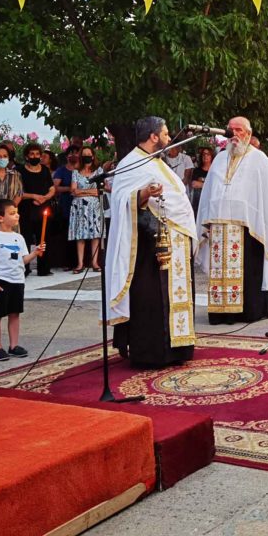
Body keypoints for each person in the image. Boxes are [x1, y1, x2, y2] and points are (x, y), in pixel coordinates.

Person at [107, 116, 197, 367]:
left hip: (170, 239)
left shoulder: (156, 162)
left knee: (169, 297)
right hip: (145, 247)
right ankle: (153, 352)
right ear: (154, 137)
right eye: (166, 134)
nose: (169, 139)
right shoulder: (132, 163)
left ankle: (177, 349)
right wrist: (145, 193)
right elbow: (122, 199)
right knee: (151, 297)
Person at [196, 117, 268, 324]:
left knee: (247, 269)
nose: (233, 134)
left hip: (248, 229)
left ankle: (247, 311)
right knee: (220, 271)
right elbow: (208, 192)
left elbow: (267, 196)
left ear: (248, 134)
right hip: (219, 228)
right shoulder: (220, 159)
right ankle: (221, 312)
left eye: (238, 130)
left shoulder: (260, 160)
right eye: (230, 130)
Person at [0, 199, 45, 360]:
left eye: (17, 212)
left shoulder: (18, 237)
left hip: (17, 280)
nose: (17, 215)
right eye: (12, 213)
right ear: (0, 218)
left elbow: (23, 260)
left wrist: (35, 253)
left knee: (14, 313)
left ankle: (13, 345)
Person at [17, 142, 55, 276]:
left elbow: (51, 188)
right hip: (26, 209)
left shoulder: (44, 170)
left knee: (44, 238)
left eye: (37, 154)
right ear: (27, 156)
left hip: (43, 208)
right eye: (32, 154)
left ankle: (44, 268)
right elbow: (18, 191)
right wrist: (33, 196)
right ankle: (25, 268)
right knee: (26, 238)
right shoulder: (20, 170)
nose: (35, 156)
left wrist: (45, 198)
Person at [68, 147, 103, 271]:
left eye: (89, 154)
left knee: (95, 235)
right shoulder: (76, 172)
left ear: (93, 156)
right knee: (80, 235)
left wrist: (82, 191)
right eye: (84, 154)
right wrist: (89, 192)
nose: (87, 156)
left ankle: (95, 263)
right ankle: (80, 263)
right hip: (79, 207)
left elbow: (99, 191)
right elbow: (73, 191)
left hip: (94, 206)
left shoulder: (98, 171)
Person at [189, 147, 215, 213]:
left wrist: (201, 183)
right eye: (203, 154)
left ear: (212, 156)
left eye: (208, 154)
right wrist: (209, 184)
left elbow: (216, 185)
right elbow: (194, 184)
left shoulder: (215, 170)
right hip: (199, 202)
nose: (205, 156)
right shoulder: (197, 170)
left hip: (211, 201)